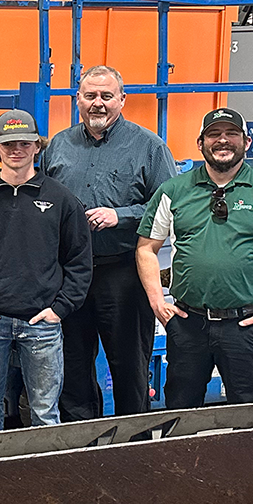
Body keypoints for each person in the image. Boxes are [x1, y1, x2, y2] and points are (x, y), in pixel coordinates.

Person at [136, 108, 253, 408]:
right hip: (188, 323)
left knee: (248, 416)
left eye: (231, 134)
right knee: (179, 411)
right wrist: (156, 302)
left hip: (246, 325)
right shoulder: (174, 191)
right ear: (200, 142)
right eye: (214, 134)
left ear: (246, 141)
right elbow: (145, 248)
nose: (223, 141)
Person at [0, 109, 93, 433]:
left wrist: (59, 309)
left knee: (44, 411)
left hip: (42, 323)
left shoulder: (62, 200)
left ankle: (45, 479)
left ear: (37, 147)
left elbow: (80, 261)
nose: (16, 151)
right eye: (8, 144)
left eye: (24, 143)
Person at [44, 66, 177, 420]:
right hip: (69, 273)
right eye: (90, 96)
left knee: (129, 364)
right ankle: (82, 441)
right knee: (72, 364)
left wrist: (123, 214)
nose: (97, 104)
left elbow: (170, 204)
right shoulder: (59, 145)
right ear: (78, 100)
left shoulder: (149, 147)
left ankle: (132, 445)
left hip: (123, 271)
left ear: (122, 99)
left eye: (106, 96)